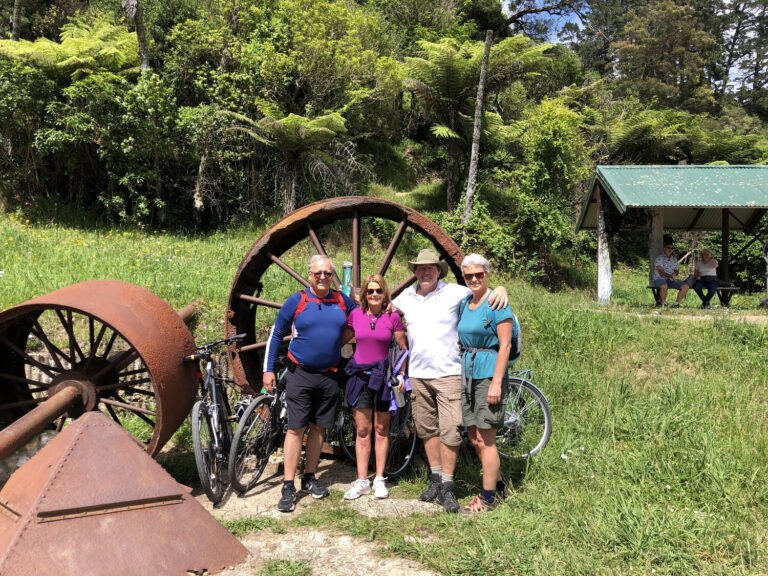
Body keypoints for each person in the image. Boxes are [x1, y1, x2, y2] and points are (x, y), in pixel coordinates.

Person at [392, 248, 507, 513]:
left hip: (450, 374)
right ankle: (435, 478)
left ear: (439, 270)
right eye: (421, 268)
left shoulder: (456, 292)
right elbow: (379, 303)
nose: (426, 271)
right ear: (414, 272)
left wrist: (501, 287)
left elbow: (483, 293)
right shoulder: (406, 297)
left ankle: (447, 484)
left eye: (431, 267)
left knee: (451, 431)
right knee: (427, 429)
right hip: (418, 375)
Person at [262, 255, 356, 513]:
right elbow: (276, 333)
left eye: (327, 273)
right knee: (295, 429)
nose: (323, 277)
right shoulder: (298, 300)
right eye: (318, 273)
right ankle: (288, 485)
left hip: (329, 375)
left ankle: (310, 477)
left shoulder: (341, 300)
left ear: (333, 275)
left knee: (318, 429)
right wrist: (268, 369)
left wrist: (341, 340)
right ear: (310, 274)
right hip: (300, 373)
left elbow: (361, 319)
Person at [341, 274, 407, 500]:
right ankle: (361, 481)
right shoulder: (356, 315)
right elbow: (341, 339)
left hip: (384, 379)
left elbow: (401, 347)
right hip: (360, 378)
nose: (374, 294)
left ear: (385, 293)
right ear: (364, 295)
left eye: (378, 290)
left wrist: (401, 375)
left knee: (381, 429)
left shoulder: (393, 317)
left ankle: (379, 478)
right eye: (370, 291)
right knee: (362, 430)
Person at [456, 254, 513, 513]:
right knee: (474, 436)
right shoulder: (466, 303)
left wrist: (496, 383)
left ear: (487, 274)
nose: (475, 279)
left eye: (479, 274)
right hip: (468, 374)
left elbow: (505, 345)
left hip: (489, 374)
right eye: (469, 275)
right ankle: (499, 487)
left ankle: (487, 498)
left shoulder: (497, 303)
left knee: (487, 438)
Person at [652, 241, 690, 308]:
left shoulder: (674, 259)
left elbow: (677, 270)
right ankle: (663, 303)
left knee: (685, 286)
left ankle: (676, 304)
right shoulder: (659, 258)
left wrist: (675, 273)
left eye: (672, 248)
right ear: (664, 248)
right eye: (668, 248)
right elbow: (660, 272)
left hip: (671, 279)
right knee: (664, 285)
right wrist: (670, 276)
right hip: (659, 279)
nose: (670, 250)